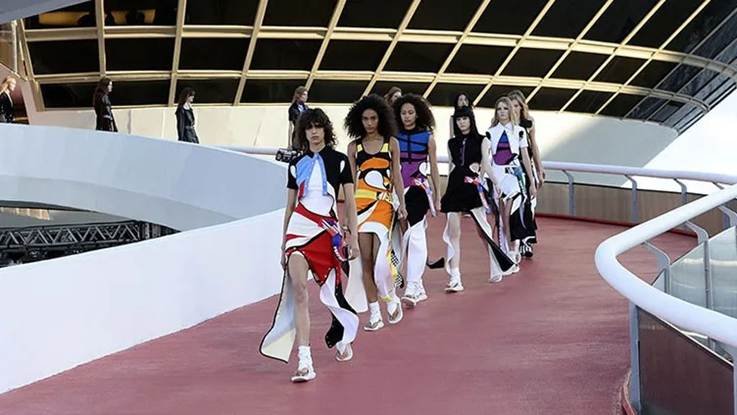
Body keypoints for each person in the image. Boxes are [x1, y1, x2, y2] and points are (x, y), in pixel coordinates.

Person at [261, 108, 361, 383]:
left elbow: (351, 203)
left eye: (318, 126)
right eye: (309, 128)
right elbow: (289, 206)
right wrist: (283, 243)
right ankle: (304, 360)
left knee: (332, 292)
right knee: (300, 291)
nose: (314, 132)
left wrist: (352, 237)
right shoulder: (295, 165)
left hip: (326, 231)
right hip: (298, 229)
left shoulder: (340, 161)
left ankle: (342, 334)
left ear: (326, 130)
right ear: (303, 132)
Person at [345, 94, 407, 330]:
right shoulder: (354, 147)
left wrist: (402, 204)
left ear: (381, 118)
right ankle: (374, 314)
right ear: (358, 120)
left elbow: (397, 176)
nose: (369, 123)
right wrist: (347, 214)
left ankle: (390, 297)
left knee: (381, 259)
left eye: (373, 118)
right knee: (365, 260)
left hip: (383, 205)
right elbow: (350, 183)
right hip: (360, 207)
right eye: (365, 119)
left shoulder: (391, 143)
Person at [440, 106, 515, 292]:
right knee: (453, 233)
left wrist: (496, 183)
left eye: (465, 118)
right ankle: (455, 277)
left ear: (471, 120)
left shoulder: (483, 140)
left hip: (473, 187)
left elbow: (486, 165)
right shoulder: (451, 143)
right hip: (455, 187)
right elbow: (451, 166)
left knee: (483, 231)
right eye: (458, 119)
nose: (461, 122)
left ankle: (496, 266)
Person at [392, 94, 441, 307]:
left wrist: (438, 196)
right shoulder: (393, 137)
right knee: (405, 237)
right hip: (397, 191)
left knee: (416, 234)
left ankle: (412, 286)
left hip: (418, 189)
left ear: (418, 114)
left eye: (411, 112)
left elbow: (434, 168)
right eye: (403, 113)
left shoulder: (428, 138)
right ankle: (418, 284)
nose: (407, 116)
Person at [486, 97, 536, 263]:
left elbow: (525, 157)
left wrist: (531, 182)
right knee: (502, 217)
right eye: (499, 109)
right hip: (497, 176)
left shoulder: (519, 131)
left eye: (505, 108)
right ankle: (507, 251)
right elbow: (487, 158)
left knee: (512, 212)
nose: (502, 112)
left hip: (515, 176)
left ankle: (514, 249)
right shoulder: (490, 133)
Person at [508, 90, 544, 257]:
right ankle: (515, 238)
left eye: (517, 106)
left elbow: (533, 146)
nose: (514, 109)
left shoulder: (528, 123)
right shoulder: (504, 125)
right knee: (515, 204)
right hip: (511, 168)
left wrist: (539, 167)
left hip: (526, 166)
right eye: (512, 105)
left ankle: (526, 240)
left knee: (529, 203)